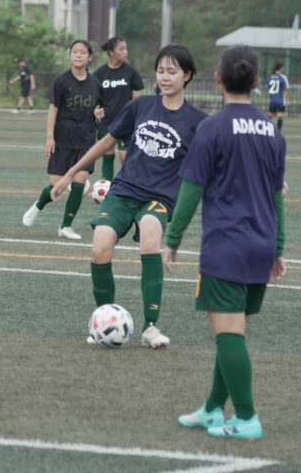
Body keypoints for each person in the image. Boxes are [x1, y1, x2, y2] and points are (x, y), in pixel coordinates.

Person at [164, 44, 286, 440]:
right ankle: (213, 408)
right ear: (256, 82)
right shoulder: (272, 131)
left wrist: (172, 238)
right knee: (232, 328)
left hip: (226, 246)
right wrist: (278, 248)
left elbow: (191, 189)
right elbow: (277, 196)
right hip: (261, 244)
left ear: (217, 79)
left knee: (229, 335)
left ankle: (247, 418)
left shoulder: (211, 128)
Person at [51, 44, 208, 349]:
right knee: (99, 248)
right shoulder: (141, 106)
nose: (165, 77)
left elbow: (226, 154)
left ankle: (151, 327)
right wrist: (71, 172)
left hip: (160, 197)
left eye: (172, 71)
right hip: (124, 190)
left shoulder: (198, 120)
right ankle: (105, 320)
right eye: (160, 71)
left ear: (187, 75)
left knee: (150, 235)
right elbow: (106, 141)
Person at [22, 40, 100, 239]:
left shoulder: (95, 83)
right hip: (63, 140)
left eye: (83, 52)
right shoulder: (61, 82)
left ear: (90, 57)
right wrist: (49, 137)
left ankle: (66, 226)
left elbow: (100, 109)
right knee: (57, 186)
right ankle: (39, 205)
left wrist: (99, 114)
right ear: (70, 56)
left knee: (80, 183)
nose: (78, 55)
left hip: (86, 141)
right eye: (75, 52)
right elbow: (53, 110)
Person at [93, 37, 145, 180]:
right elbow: (95, 100)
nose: (125, 52)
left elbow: (137, 101)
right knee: (107, 156)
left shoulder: (131, 72)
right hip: (106, 123)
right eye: (121, 49)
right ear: (111, 52)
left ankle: (129, 185)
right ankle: (107, 186)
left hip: (126, 123)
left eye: (126, 49)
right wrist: (96, 112)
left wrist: (136, 121)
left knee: (125, 158)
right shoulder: (100, 73)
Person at [265, 62, 289, 129]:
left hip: (272, 100)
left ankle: (266, 129)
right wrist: (288, 100)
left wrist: (271, 96)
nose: (284, 68)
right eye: (283, 67)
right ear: (280, 68)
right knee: (280, 116)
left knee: (269, 116)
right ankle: (278, 132)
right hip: (280, 100)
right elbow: (286, 89)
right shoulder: (283, 78)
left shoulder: (270, 78)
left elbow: (268, 89)